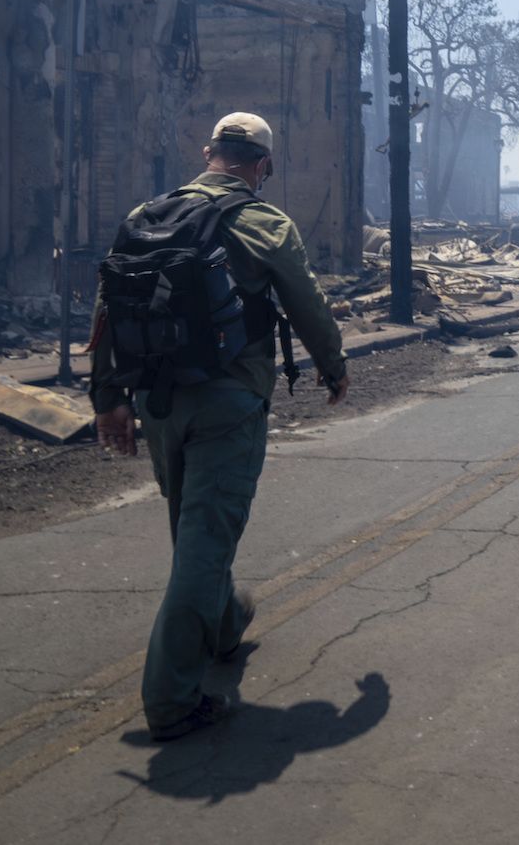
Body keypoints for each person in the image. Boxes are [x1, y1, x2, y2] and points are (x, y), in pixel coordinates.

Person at [92, 112, 349, 741]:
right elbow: (306, 303)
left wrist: (109, 399)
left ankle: (227, 621)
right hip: (227, 401)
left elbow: (108, 305)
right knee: (206, 537)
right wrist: (333, 367)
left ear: (209, 153)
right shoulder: (264, 221)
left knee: (193, 525)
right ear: (261, 165)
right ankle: (172, 700)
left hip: (156, 403)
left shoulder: (145, 216)